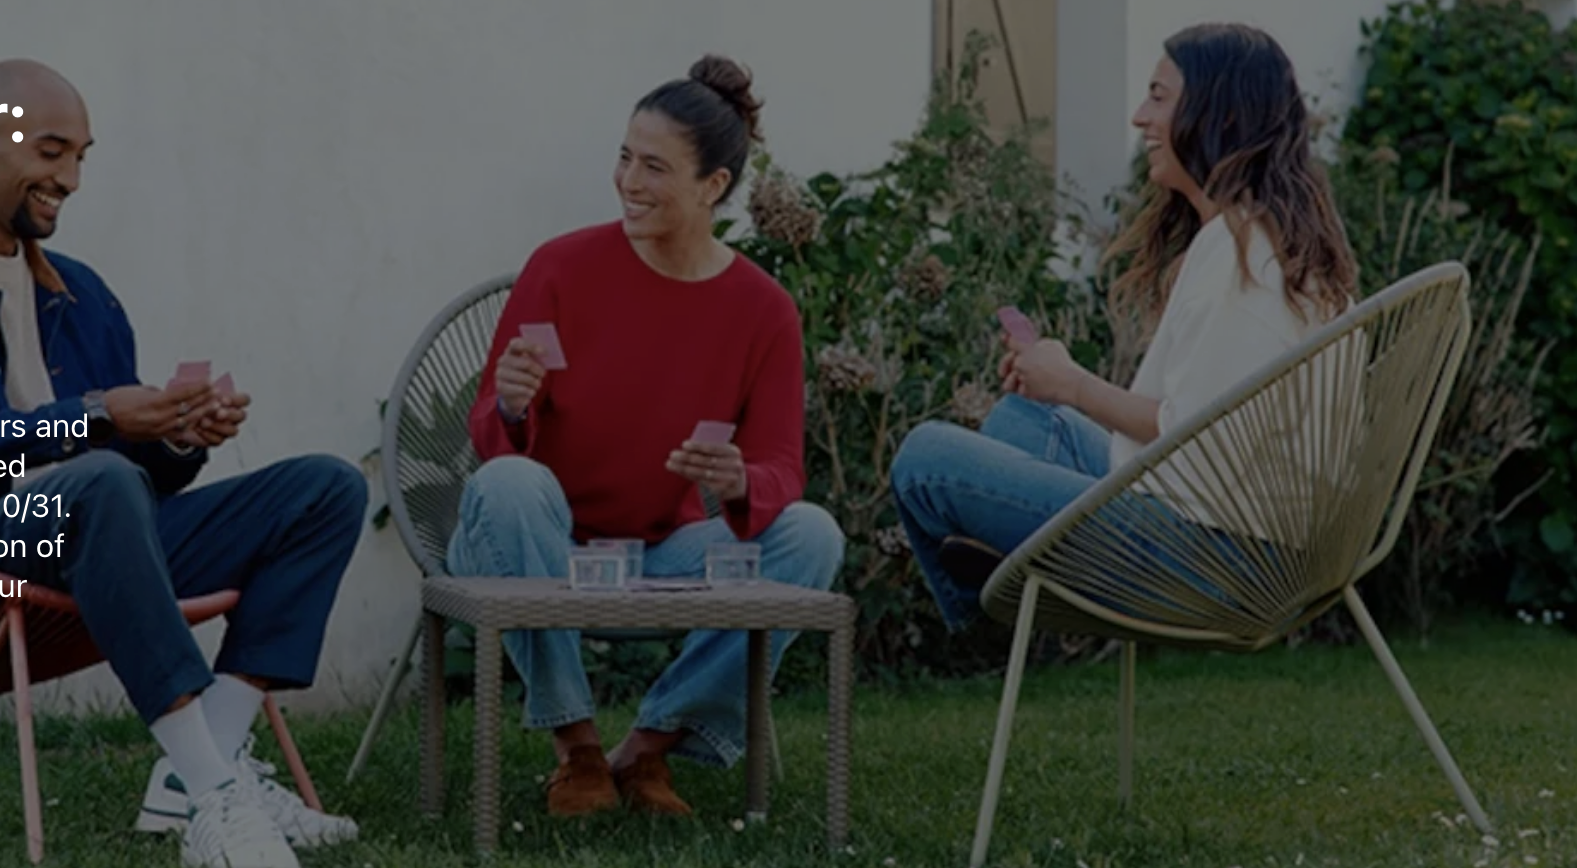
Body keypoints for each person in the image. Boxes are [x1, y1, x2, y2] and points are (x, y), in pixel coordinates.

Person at [0, 59, 363, 868]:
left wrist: (179, 436)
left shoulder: (81, 293)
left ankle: (196, 773)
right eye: (50, 153)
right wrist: (87, 419)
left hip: (101, 540)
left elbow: (134, 472)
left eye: (81, 156)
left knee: (325, 489)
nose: (70, 178)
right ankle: (218, 799)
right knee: (102, 480)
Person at [448, 55, 847, 818]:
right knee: (509, 484)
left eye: (654, 166)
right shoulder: (562, 267)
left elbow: (780, 470)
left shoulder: (763, 311)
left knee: (813, 538)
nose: (629, 181)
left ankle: (646, 750)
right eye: (625, 157)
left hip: (657, 551)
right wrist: (509, 407)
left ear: (713, 188)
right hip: (533, 541)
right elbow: (491, 452)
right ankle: (578, 751)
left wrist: (737, 482)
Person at [891, 23, 1359, 630]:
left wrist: (1074, 384)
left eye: (1159, 97)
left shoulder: (1249, 264)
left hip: (1224, 554)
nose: (1140, 117)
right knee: (1020, 421)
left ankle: (991, 637)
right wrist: (1055, 385)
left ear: (1218, 115)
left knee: (925, 458)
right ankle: (1022, 600)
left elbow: (1190, 434)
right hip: (1226, 524)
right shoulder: (1255, 238)